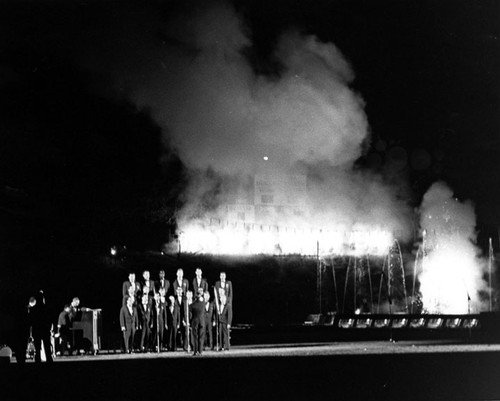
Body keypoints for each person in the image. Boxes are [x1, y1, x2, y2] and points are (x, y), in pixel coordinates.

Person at [30, 291, 53, 362]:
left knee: (37, 348)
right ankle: (49, 360)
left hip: (37, 329)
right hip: (45, 329)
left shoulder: (33, 309)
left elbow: (31, 321)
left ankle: (37, 360)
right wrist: (49, 328)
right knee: (47, 347)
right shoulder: (46, 308)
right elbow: (49, 319)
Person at [189, 289, 206, 356]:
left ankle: (196, 351)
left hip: (195, 321)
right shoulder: (203, 302)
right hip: (202, 321)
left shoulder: (194, 304)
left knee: (195, 336)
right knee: (200, 337)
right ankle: (200, 351)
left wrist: (190, 304)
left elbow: (192, 308)